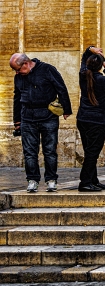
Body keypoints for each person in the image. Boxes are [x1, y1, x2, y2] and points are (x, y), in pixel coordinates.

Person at [10, 52, 72, 192]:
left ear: (26, 64)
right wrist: (17, 121)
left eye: (18, 69)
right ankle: (32, 180)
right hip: (27, 117)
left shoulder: (48, 69)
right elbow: (17, 97)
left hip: (48, 116)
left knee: (49, 151)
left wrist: (66, 109)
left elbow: (61, 88)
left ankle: (51, 180)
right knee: (29, 152)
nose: (17, 72)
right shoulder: (19, 77)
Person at [77, 47, 105, 192]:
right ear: (101, 65)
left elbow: (84, 58)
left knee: (89, 151)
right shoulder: (103, 80)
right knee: (92, 153)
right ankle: (85, 182)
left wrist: (90, 49)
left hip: (83, 119)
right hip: (97, 121)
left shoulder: (83, 74)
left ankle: (93, 180)